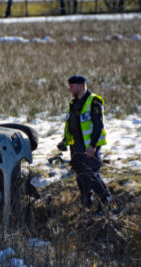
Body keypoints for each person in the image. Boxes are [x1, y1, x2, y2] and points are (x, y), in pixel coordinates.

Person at [57, 75, 112, 211]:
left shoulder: (93, 102)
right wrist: (65, 141)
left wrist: (92, 146)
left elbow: (98, 126)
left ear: (81, 86)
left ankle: (107, 202)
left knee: (92, 175)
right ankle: (86, 206)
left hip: (89, 146)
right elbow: (72, 125)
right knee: (81, 178)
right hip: (76, 146)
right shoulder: (73, 103)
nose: (70, 89)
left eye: (72, 86)